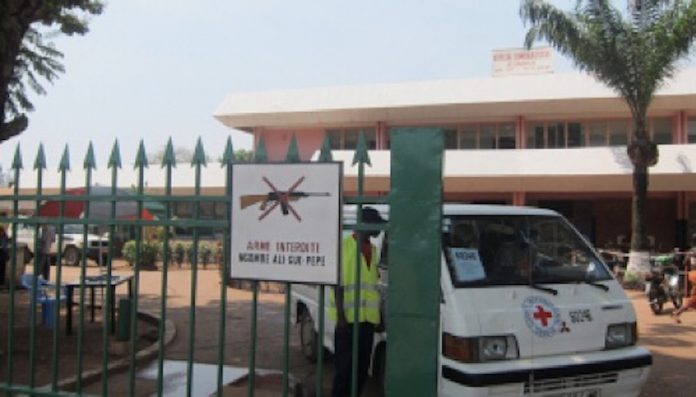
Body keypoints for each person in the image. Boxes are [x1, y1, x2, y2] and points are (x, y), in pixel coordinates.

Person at [329, 207, 385, 397]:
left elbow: (371, 286)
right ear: (365, 224)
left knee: (361, 371)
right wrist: (341, 319)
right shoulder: (344, 247)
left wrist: (377, 317)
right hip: (347, 322)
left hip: (367, 322)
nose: (380, 229)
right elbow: (338, 286)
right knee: (344, 372)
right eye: (377, 224)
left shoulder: (374, 250)